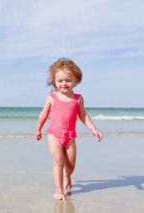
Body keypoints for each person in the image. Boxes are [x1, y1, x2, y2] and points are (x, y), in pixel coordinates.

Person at [35, 58, 103, 200]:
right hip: (54, 135)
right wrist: (38, 129)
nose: (64, 83)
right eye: (60, 81)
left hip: (70, 137)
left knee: (71, 165)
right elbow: (43, 114)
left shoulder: (78, 99)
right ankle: (58, 189)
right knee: (58, 162)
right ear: (54, 81)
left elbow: (83, 116)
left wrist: (93, 129)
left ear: (76, 80)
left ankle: (67, 176)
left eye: (68, 80)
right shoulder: (52, 97)